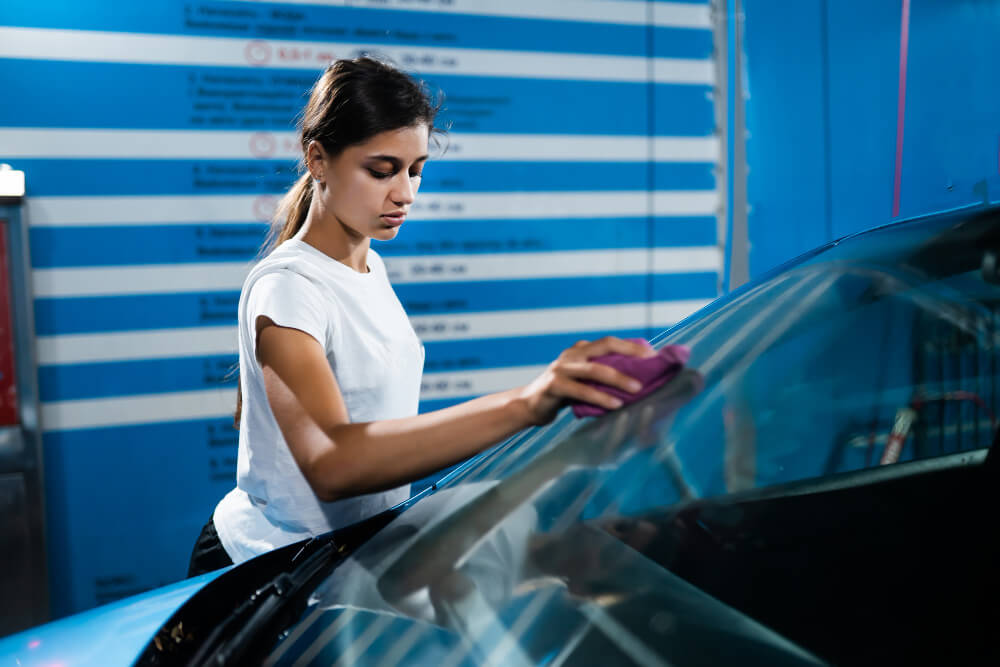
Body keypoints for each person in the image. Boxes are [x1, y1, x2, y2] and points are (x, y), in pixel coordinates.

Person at [187, 57, 655, 576]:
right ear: (317, 160)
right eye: (381, 171)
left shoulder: (371, 268)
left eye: (416, 171)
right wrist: (530, 402)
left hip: (342, 557)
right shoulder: (289, 286)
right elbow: (332, 463)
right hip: (262, 569)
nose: (405, 194)